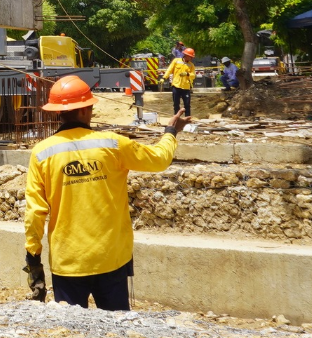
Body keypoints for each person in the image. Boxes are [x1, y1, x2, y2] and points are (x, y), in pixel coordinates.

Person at [24, 76, 191, 310]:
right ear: (85, 109)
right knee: (117, 326)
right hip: (111, 258)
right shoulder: (113, 144)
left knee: (70, 329)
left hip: (68, 262)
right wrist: (171, 131)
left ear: (58, 112)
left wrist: (33, 255)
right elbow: (159, 159)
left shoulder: (42, 152)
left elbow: (35, 212)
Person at [163, 47, 196, 116]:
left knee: (187, 105)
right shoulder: (176, 61)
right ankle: (177, 118)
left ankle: (187, 118)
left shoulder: (191, 65)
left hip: (186, 87)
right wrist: (164, 78)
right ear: (186, 55)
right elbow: (169, 69)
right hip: (176, 86)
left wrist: (187, 74)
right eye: (190, 57)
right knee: (176, 104)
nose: (191, 58)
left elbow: (193, 75)